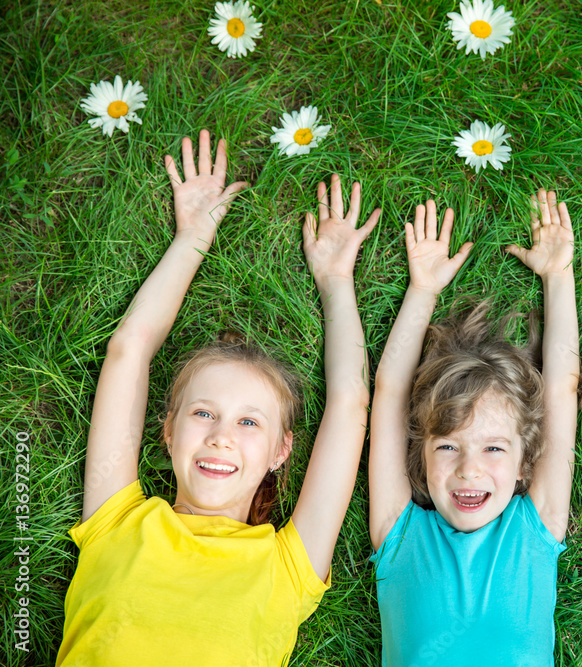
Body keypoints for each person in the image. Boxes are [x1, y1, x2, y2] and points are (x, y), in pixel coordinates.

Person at [57, 130, 379, 665]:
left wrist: (337, 279)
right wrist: (191, 237)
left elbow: (351, 405)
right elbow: (128, 351)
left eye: (251, 423)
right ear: (167, 430)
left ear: (282, 452)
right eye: (203, 412)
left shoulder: (287, 567)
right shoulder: (117, 523)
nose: (222, 434)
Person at [368, 190, 580, 666]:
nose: (469, 469)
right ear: (419, 457)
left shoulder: (536, 529)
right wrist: (421, 290)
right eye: (447, 447)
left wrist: (559, 276)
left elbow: (563, 391)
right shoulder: (399, 536)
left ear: (527, 462)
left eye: (493, 449)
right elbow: (389, 393)